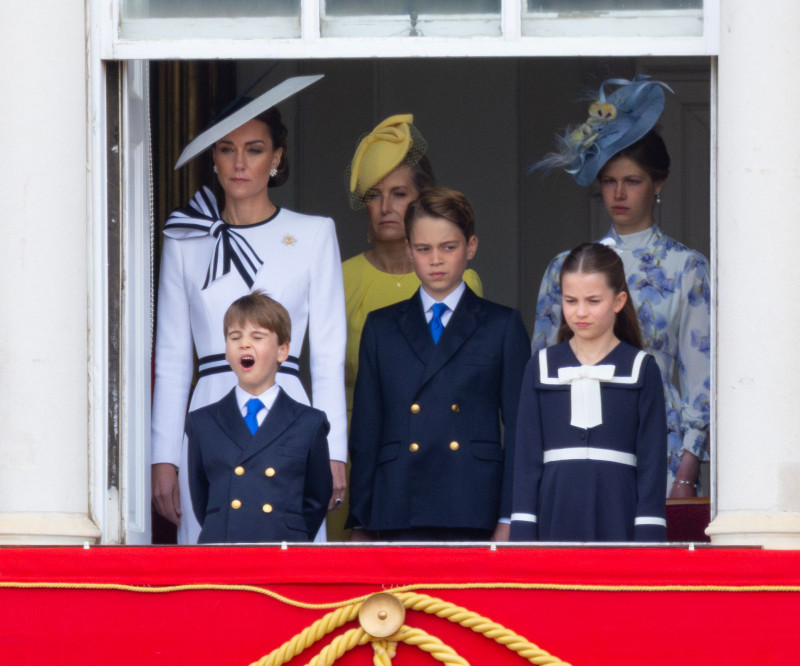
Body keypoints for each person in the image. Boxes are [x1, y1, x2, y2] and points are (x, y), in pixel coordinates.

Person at [151, 76, 347, 544]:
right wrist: (164, 457)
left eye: (255, 149)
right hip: (211, 415)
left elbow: (328, 355)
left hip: (292, 415)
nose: (239, 163)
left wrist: (333, 448)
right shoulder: (185, 240)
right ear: (212, 158)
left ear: (276, 157)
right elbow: (174, 357)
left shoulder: (314, 234)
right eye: (226, 148)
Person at [530, 76, 710, 498]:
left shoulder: (687, 268)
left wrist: (687, 470)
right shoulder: (564, 268)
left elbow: (701, 379)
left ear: (658, 183)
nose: (619, 193)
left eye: (633, 181)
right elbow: (541, 367)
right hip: (575, 441)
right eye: (610, 181)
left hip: (657, 445)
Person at [346, 187, 530, 541]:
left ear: (471, 247)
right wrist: (360, 519)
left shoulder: (502, 325)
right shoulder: (380, 326)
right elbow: (367, 431)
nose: (436, 260)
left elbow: (521, 431)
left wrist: (510, 516)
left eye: (449, 247)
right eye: (423, 249)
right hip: (396, 504)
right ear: (408, 251)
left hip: (474, 503)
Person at [511, 242, 667, 542]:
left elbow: (652, 462)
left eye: (593, 301)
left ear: (619, 301)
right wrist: (523, 530)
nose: (580, 312)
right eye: (570, 301)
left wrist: (648, 534)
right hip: (553, 513)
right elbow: (527, 458)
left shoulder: (641, 367)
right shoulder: (541, 365)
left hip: (618, 512)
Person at [343, 114, 483, 415]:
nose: (385, 208)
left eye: (399, 194)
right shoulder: (341, 278)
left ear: (422, 198)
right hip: (364, 446)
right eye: (374, 195)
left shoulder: (462, 279)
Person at [187, 291, 332, 543]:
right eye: (235, 337)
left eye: (257, 337)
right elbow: (203, 502)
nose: (244, 344)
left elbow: (315, 500)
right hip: (222, 553)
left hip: (281, 553)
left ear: (282, 351)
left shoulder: (309, 423)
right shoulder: (202, 423)